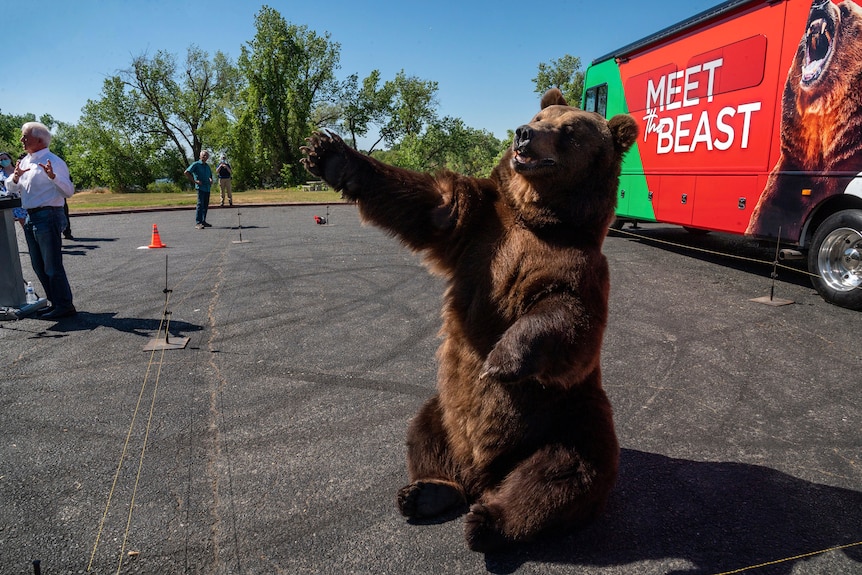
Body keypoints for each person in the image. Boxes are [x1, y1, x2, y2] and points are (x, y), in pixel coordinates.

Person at [5, 122, 76, 319]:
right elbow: (11, 188)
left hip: (49, 215)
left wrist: (53, 177)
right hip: (31, 216)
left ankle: (64, 305)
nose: (21, 140)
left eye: (25, 136)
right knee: (38, 265)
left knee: (52, 265)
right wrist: (15, 177)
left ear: (39, 140)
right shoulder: (26, 161)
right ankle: (55, 303)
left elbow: (68, 192)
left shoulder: (54, 161)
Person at [184, 150, 213, 229]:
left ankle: (203, 221)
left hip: (207, 188)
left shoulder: (207, 166)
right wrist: (194, 181)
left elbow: (210, 175)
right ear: (200, 156)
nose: (205, 157)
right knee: (200, 204)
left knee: (205, 205)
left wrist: (210, 179)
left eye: (206, 156)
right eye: (203, 155)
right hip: (200, 187)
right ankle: (198, 222)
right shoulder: (196, 164)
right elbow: (186, 172)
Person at [0, 151, 27, 227]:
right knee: (8, 226)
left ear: (10, 159)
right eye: (1, 160)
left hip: (21, 201)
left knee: (25, 224)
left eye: (5, 159)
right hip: (7, 202)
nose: (3, 161)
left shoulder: (18, 170)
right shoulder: (0, 174)